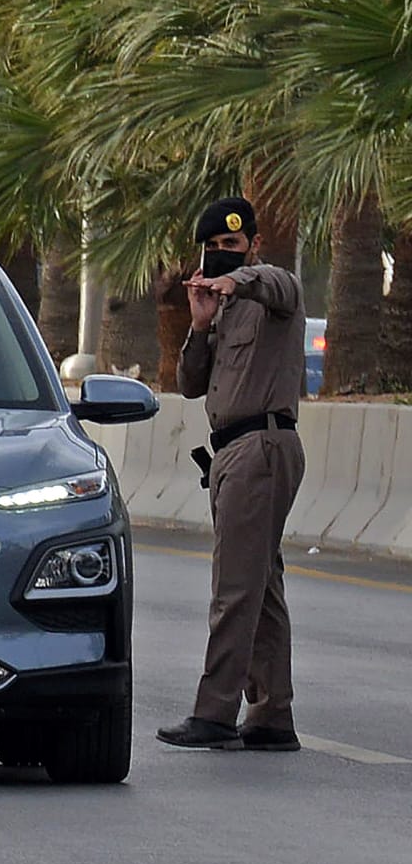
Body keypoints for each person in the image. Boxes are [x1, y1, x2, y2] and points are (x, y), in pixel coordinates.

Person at [156, 197, 307, 752]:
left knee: (234, 589)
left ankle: (215, 712)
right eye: (214, 247)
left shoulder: (273, 291)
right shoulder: (221, 311)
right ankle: (271, 715)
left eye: (233, 245)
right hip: (230, 453)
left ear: (253, 245)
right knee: (262, 588)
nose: (222, 255)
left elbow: (275, 284)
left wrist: (237, 279)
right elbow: (191, 385)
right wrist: (199, 325)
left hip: (261, 445)